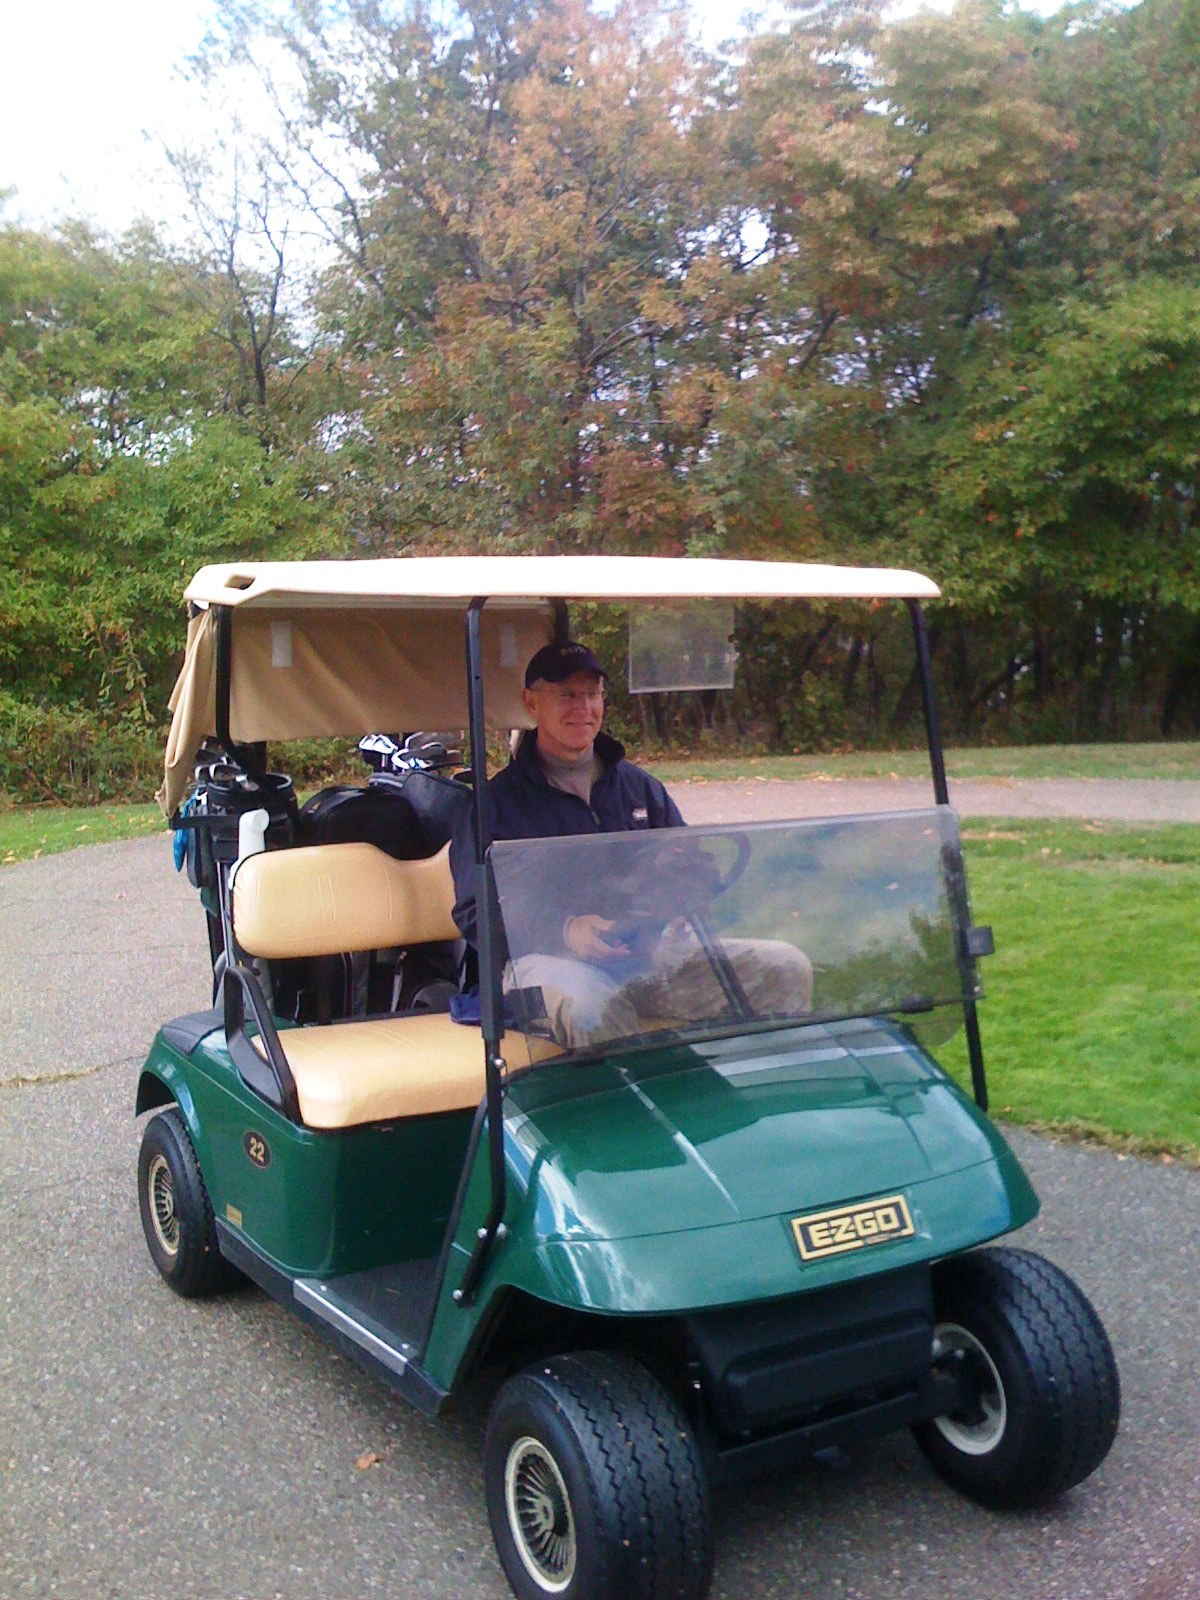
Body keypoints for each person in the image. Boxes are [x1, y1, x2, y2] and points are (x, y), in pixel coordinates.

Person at [449, 640, 813, 1048]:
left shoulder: (639, 789)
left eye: (592, 694)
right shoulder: (495, 805)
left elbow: (691, 864)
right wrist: (564, 931)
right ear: (531, 703)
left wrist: (683, 895)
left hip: (646, 954)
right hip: (545, 958)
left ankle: (760, 1085)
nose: (583, 708)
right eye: (567, 695)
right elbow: (474, 912)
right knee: (595, 1008)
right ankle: (628, 1092)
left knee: (785, 968)